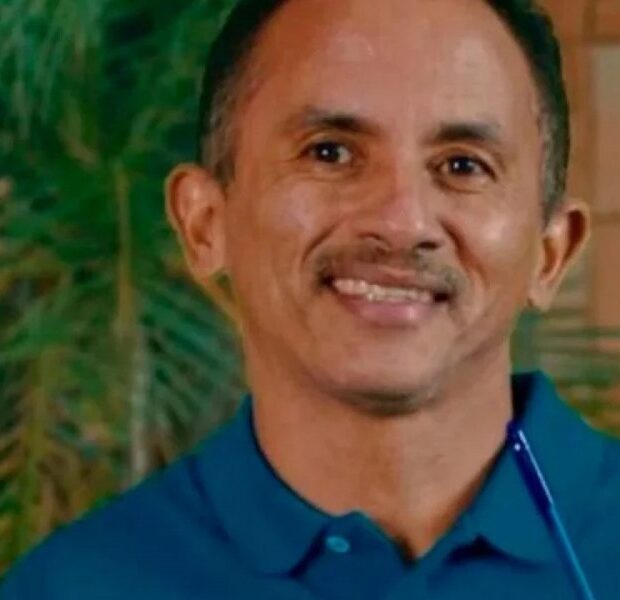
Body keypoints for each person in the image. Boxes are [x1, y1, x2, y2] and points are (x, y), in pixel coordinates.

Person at [3, 0, 620, 598]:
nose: (402, 222)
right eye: (330, 152)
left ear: (552, 252)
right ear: (205, 224)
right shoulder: (76, 587)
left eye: (463, 166)